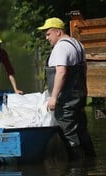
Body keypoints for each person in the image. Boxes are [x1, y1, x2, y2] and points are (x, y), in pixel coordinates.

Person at [37, 17, 96, 160]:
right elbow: (84, 67)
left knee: (67, 131)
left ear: (58, 32)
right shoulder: (77, 43)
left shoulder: (61, 47)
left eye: (48, 33)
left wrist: (54, 97)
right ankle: (90, 162)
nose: (46, 37)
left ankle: (76, 170)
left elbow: (62, 72)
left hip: (67, 100)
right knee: (82, 130)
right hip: (78, 96)